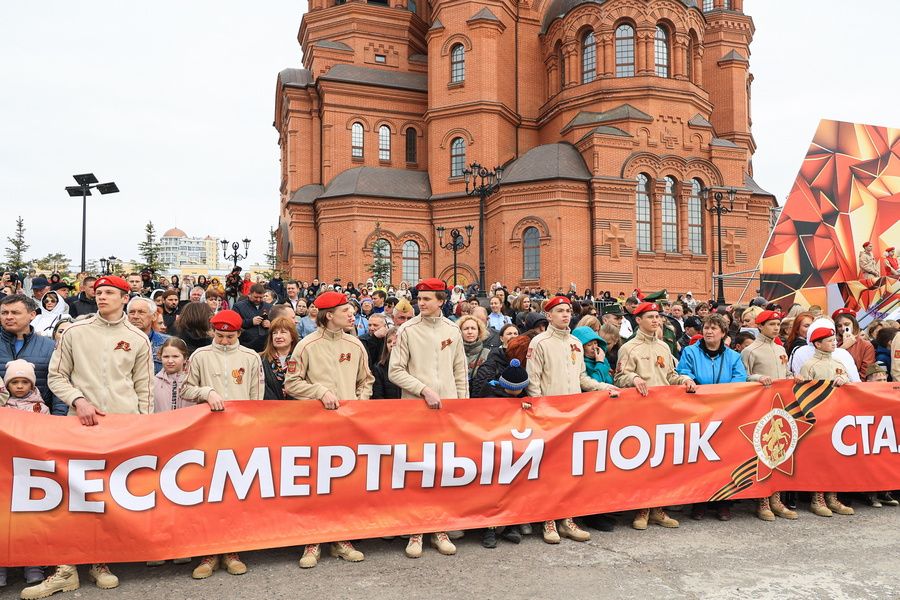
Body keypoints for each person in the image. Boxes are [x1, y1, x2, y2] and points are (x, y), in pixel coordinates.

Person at [29, 276, 153, 597]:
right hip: (81, 425)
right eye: (98, 292)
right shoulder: (74, 332)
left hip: (122, 427)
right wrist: (77, 400)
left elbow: (144, 388)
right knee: (74, 495)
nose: (102, 297)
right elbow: (57, 376)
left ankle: (101, 561)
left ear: (125, 298)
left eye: (110, 293)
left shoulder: (137, 338)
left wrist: (143, 427)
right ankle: (66, 568)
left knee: (108, 495)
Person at [283, 291, 372, 568]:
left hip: (348, 426)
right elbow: (292, 383)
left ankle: (341, 539)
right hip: (316, 426)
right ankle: (313, 541)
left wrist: (359, 401)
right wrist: (320, 391)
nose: (350, 313)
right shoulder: (307, 346)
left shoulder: (355, 345)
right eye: (345, 310)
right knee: (317, 484)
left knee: (344, 484)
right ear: (329, 315)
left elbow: (366, 380)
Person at [526, 296, 618, 544]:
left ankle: (567, 519)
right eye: (559, 311)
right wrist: (541, 413)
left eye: (568, 310)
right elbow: (533, 383)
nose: (565, 315)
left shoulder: (576, 343)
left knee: (570, 471)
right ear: (549, 315)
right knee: (549, 472)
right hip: (550, 416)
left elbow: (582, 378)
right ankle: (548, 521)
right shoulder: (539, 343)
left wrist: (602, 386)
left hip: (573, 417)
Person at [181, 309, 263, 579]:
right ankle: (207, 553)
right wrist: (206, 392)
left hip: (238, 435)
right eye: (219, 336)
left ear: (239, 334)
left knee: (234, 494)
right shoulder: (200, 356)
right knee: (208, 494)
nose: (224, 341)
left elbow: (256, 399)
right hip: (207, 435)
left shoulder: (250, 357)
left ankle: (232, 550)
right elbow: (185, 388)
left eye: (229, 337)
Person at [388, 278, 467, 558]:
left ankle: (440, 528)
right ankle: (415, 531)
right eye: (419, 299)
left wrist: (462, 407)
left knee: (443, 470)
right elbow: (395, 371)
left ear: (441, 301)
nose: (420, 304)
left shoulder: (452, 329)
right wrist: (423, 390)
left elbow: (460, 370)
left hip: (447, 411)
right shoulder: (408, 329)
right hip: (416, 409)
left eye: (426, 299)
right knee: (417, 470)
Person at [614, 302, 695, 530]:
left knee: (661, 463)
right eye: (650, 317)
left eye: (657, 317)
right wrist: (633, 379)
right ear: (638, 320)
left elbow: (670, 374)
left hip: (663, 412)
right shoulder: (629, 348)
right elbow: (619, 378)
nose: (655, 321)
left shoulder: (663, 347)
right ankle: (641, 509)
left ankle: (659, 508)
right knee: (643, 464)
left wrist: (684, 380)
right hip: (640, 413)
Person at [797, 320, 854, 517]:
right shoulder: (809, 366)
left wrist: (845, 380)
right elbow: (803, 393)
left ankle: (832, 496)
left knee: (835, 459)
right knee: (819, 460)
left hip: (836, 417)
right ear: (817, 344)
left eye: (833, 339)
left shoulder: (839, 364)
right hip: (817, 418)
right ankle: (817, 498)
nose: (834, 343)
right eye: (828, 340)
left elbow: (850, 386)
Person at [0, 359, 48, 589]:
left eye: (24, 382)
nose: (19, 386)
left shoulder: (41, 407)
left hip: (31, 469)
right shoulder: (2, 407)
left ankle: (34, 566)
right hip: (6, 471)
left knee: (32, 519)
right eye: (15, 382)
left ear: (32, 384)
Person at [0, 294, 66, 415]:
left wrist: (59, 418)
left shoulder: (50, 347)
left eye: (15, 312)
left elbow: (60, 386)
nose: (8, 317)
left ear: (32, 315)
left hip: (38, 419)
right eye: (4, 313)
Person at [127, 296, 170, 374]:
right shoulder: (117, 342)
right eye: (132, 312)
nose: (135, 316)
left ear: (154, 316)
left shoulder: (168, 343)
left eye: (141, 312)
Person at [261, 316, 299, 400]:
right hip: (270, 408)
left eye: (283, 332)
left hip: (297, 408)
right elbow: (262, 387)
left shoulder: (301, 357)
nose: (278, 336)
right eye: (274, 333)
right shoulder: (261, 359)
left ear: (292, 336)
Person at [832, 308, 875, 376]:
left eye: (847, 324)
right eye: (839, 326)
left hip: (857, 384)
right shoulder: (832, 343)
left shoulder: (866, 345)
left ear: (854, 324)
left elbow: (865, 373)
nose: (843, 328)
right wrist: (843, 347)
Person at [233, 284, 272, 352]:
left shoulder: (269, 307)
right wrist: (251, 322)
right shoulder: (238, 306)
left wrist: (270, 324)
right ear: (249, 294)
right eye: (256, 297)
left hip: (266, 345)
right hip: (246, 344)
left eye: (261, 297)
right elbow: (234, 323)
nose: (258, 300)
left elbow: (276, 322)